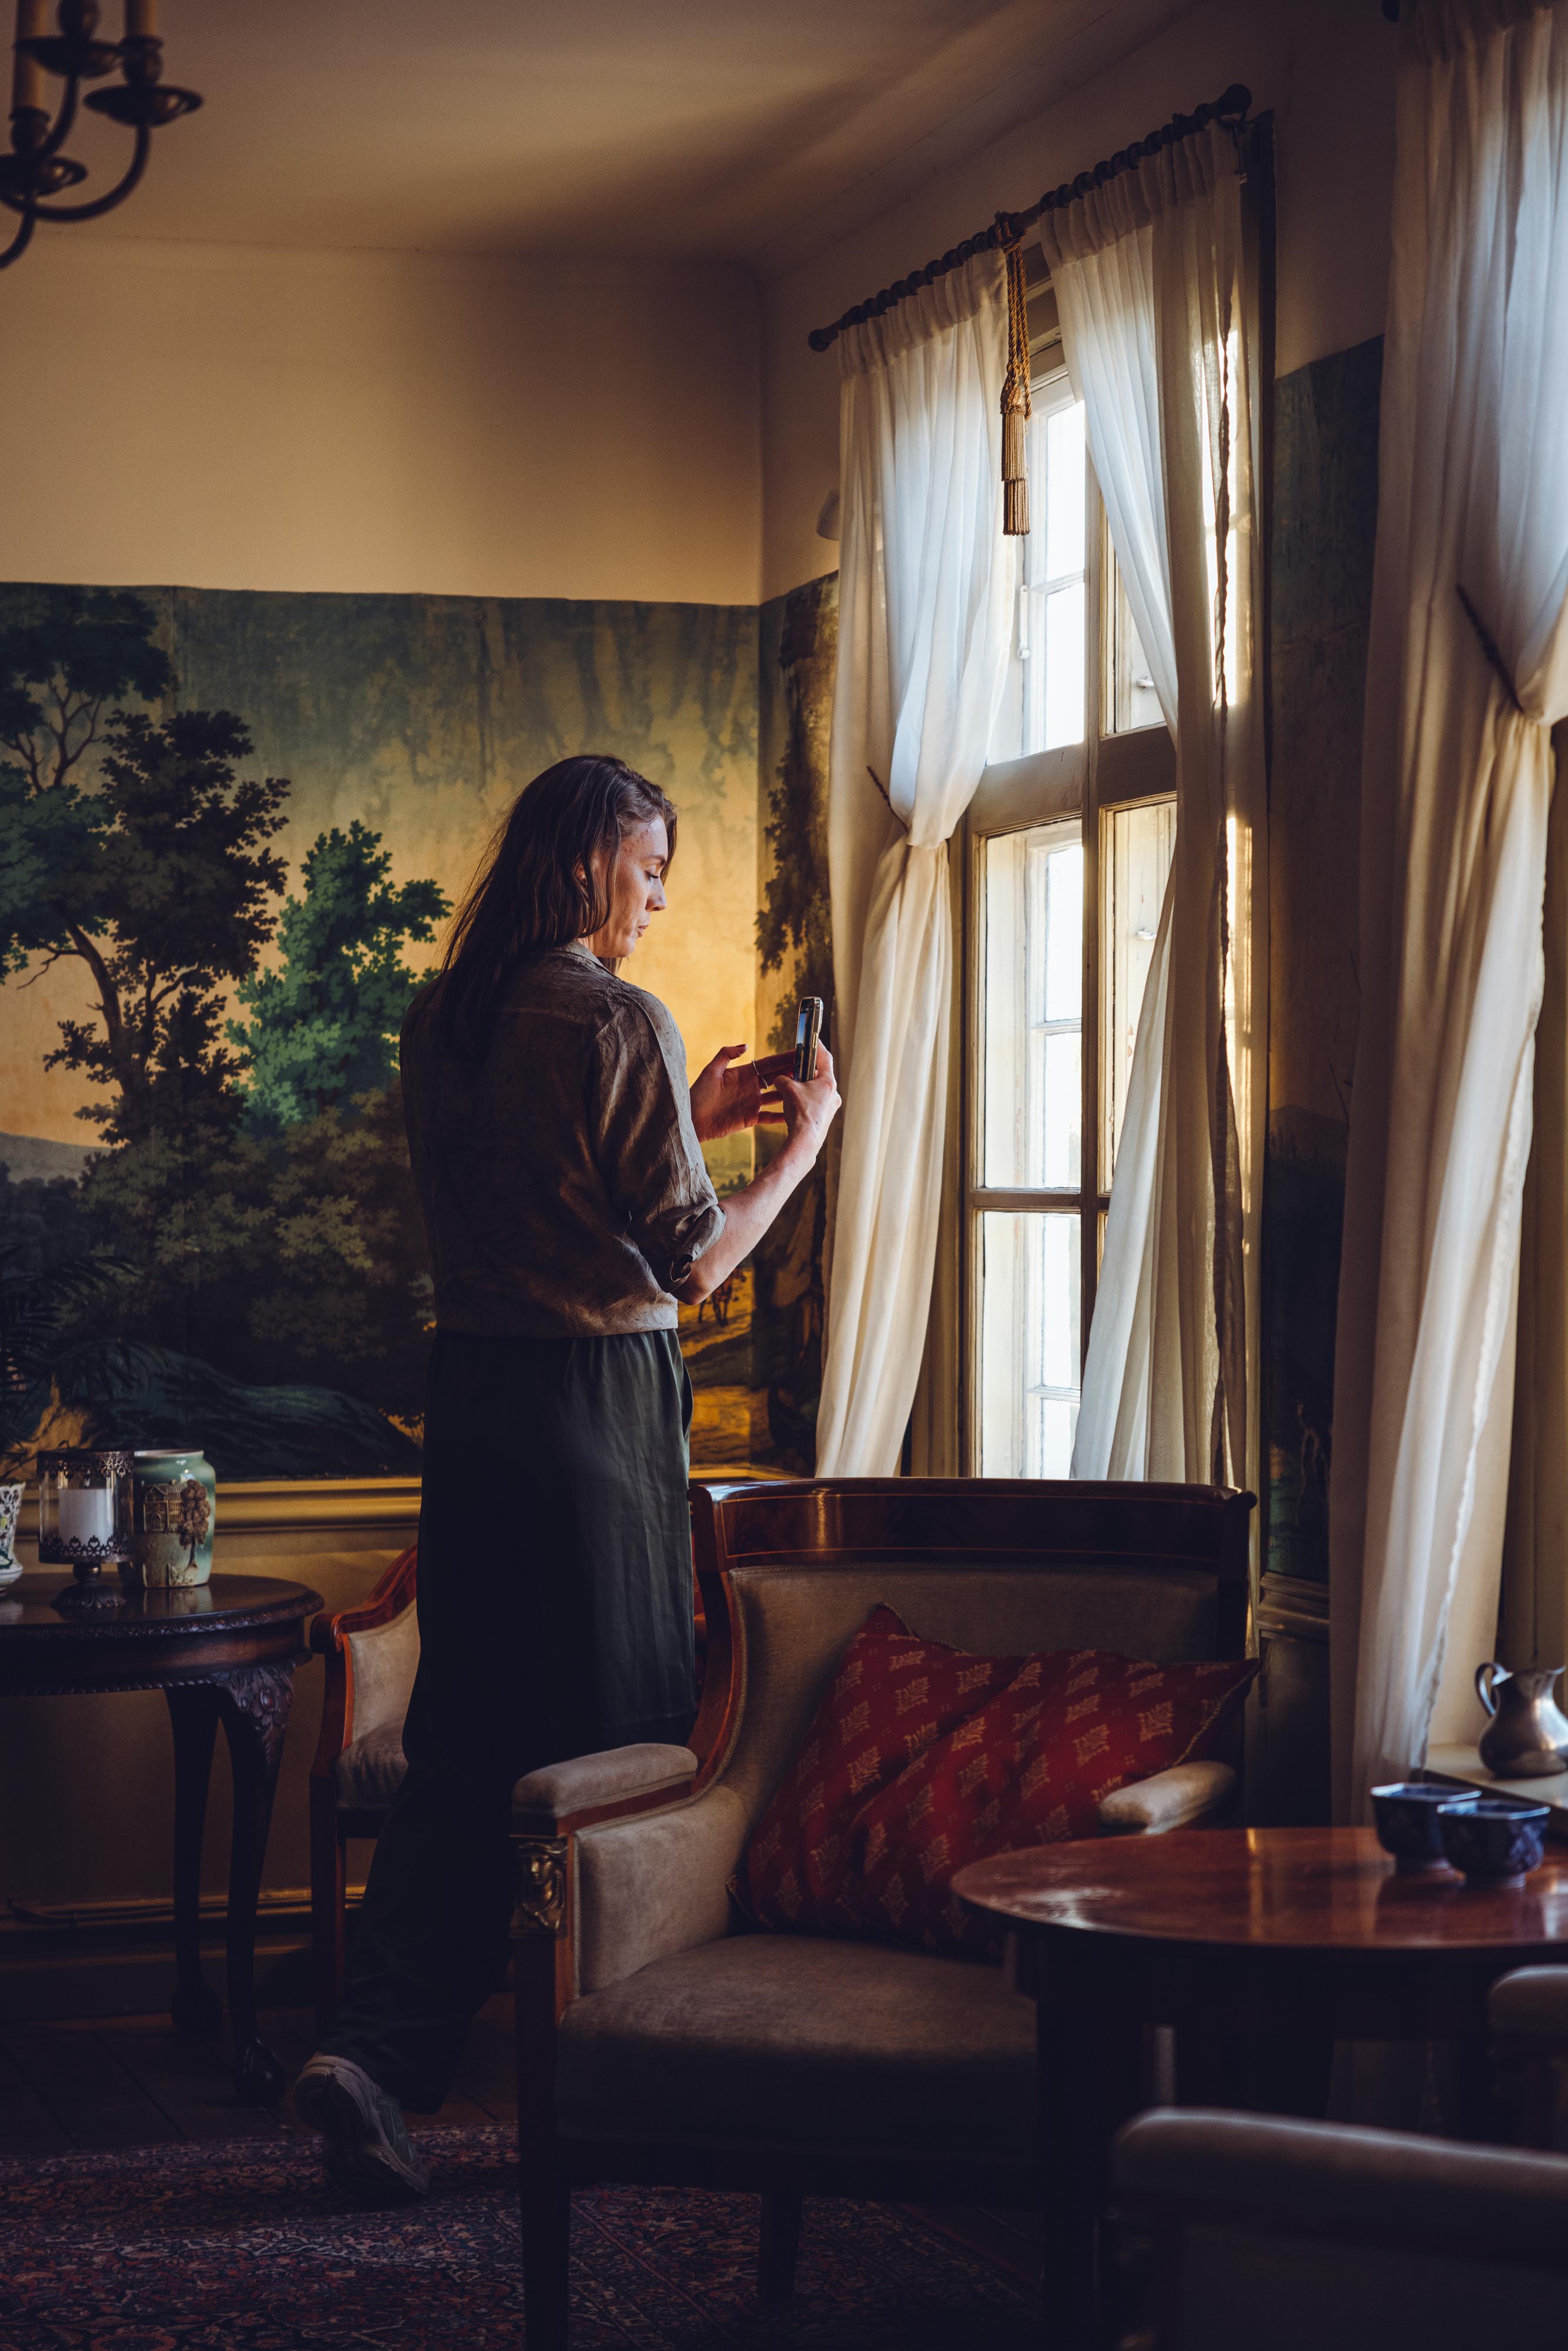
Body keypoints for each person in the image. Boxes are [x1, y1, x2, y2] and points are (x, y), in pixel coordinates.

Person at [293, 753, 839, 2198]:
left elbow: (548, 1183)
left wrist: (690, 1113)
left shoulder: (446, 1012)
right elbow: (692, 1259)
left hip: (470, 1399)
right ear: (592, 856)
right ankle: (615, 2079)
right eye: (649, 868)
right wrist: (798, 1150)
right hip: (593, 1405)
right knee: (625, 1732)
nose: (657, 899)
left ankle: (372, 2052)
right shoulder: (613, 1016)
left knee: (467, 1736)